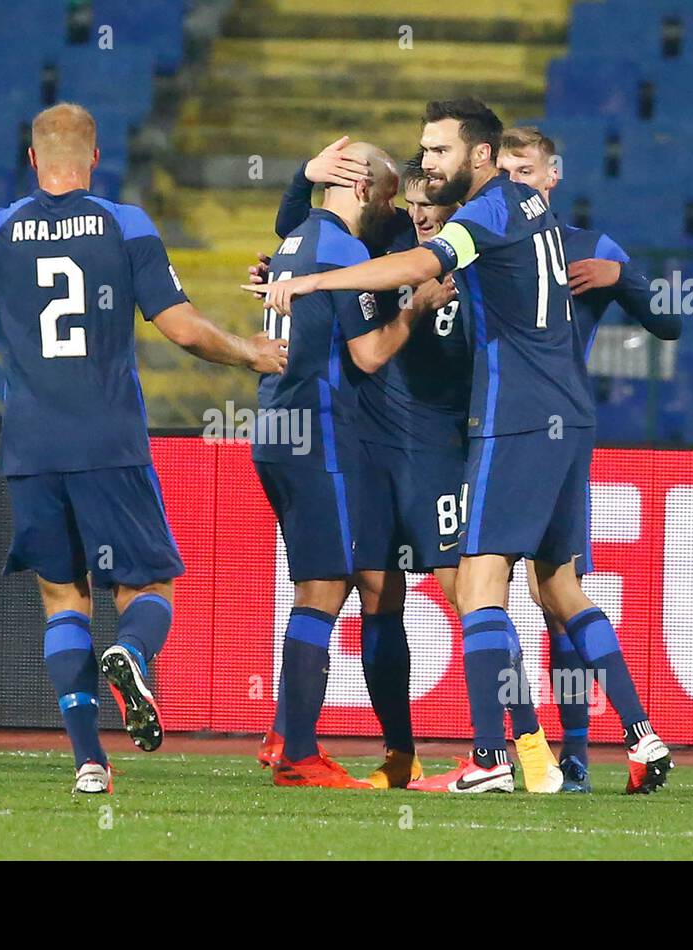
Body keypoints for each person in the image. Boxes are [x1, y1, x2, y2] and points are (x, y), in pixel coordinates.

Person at [0, 103, 286, 794]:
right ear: (95, 158)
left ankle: (89, 764)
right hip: (110, 439)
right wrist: (251, 350)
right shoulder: (126, 224)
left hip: (32, 448)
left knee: (62, 596)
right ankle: (129, 653)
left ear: (33, 161)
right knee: (147, 587)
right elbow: (184, 331)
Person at [253, 97, 663, 794]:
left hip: (450, 448)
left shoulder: (470, 251)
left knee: (475, 591)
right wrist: (304, 203)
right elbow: (308, 232)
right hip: (374, 448)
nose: (419, 209)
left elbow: (423, 296)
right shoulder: (404, 241)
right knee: (382, 593)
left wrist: (335, 284)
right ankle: (402, 753)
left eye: (435, 165)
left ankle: (519, 745)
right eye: (411, 199)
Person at [257, 146, 467, 789]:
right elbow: (371, 353)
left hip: (274, 431)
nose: (401, 209)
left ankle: (288, 737)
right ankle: (296, 751)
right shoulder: (345, 252)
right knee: (324, 589)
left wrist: (299, 176)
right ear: (373, 194)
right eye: (392, 197)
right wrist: (414, 309)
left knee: (352, 586)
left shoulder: (298, 239)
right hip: (324, 433)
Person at [497, 125, 681, 792]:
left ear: (552, 177)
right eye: (506, 168)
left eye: (527, 168)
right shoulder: (486, 240)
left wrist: (625, 279)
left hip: (546, 435)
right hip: (487, 427)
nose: (516, 178)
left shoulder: (587, 248)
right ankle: (555, 746)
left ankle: (562, 756)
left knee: (543, 597)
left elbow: (669, 322)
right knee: (539, 592)